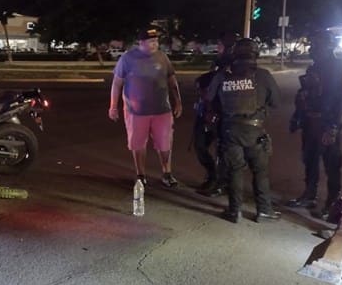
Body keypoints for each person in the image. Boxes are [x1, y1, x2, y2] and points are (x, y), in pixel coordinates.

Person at [207, 38, 281, 223]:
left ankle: (234, 211)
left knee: (234, 170)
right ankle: (264, 211)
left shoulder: (222, 75)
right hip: (255, 131)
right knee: (260, 172)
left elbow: (209, 98)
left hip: (230, 130)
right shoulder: (263, 75)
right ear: (255, 55)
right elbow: (276, 101)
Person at [287, 30, 342, 218]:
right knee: (309, 159)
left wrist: (332, 126)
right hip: (310, 121)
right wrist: (297, 116)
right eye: (312, 45)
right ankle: (310, 194)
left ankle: (332, 201)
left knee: (332, 163)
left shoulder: (339, 67)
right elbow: (304, 94)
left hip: (327, 122)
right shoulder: (313, 68)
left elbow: (341, 99)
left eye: (317, 45)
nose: (312, 48)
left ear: (328, 46)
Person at [109, 27, 183, 187]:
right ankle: (140, 174)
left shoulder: (162, 57)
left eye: (156, 41)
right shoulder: (127, 59)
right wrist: (113, 106)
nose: (155, 44)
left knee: (165, 144)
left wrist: (178, 101)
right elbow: (117, 83)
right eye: (151, 41)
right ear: (141, 42)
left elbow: (172, 80)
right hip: (136, 112)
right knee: (138, 144)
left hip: (162, 110)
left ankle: (167, 173)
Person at [193, 32, 236, 194]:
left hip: (222, 114)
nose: (217, 48)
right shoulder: (218, 62)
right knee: (200, 145)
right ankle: (212, 176)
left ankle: (221, 182)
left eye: (220, 45)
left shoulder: (234, 65)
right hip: (206, 111)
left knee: (222, 150)